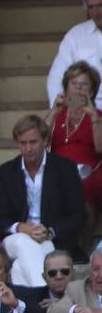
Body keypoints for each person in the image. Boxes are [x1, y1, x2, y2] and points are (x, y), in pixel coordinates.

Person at [0, 115, 86, 288]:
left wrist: (50, 232)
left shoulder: (65, 168)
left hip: (51, 239)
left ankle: (30, 305)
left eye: (33, 142)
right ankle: (47, 293)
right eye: (23, 143)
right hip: (16, 239)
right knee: (23, 241)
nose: (28, 148)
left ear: (45, 140)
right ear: (17, 143)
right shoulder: (7, 171)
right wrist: (22, 228)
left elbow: (78, 215)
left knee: (20, 269)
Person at [46, 62, 102, 216]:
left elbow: (100, 148)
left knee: (85, 185)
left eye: (84, 84)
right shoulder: (58, 114)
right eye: (74, 83)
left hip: (90, 171)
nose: (78, 88)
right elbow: (41, 143)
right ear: (66, 89)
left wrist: (93, 117)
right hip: (59, 169)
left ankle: (85, 240)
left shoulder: (98, 115)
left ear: (91, 92)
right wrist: (53, 112)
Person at [47, 0, 102, 111]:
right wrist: (63, 111)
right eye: (91, 7)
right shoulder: (76, 35)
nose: (96, 12)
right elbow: (56, 79)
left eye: (100, 6)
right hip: (86, 110)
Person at [47, 249, 102, 313]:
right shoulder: (76, 288)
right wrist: (76, 312)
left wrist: (98, 312)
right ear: (90, 272)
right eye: (96, 269)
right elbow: (53, 309)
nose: (101, 275)